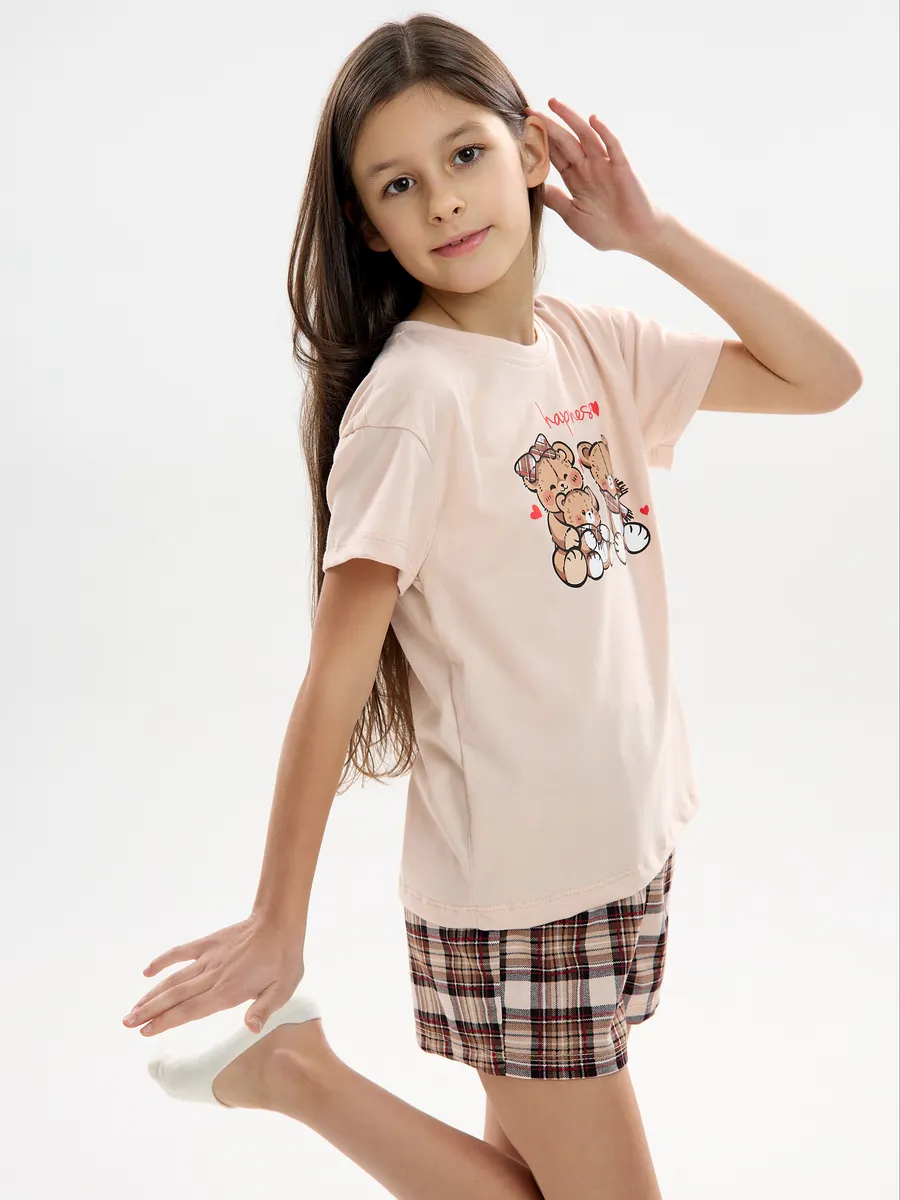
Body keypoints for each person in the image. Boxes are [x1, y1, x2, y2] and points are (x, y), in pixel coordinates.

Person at [121, 14, 863, 1200]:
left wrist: (653, 237)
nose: (445, 201)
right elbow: (336, 674)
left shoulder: (590, 345)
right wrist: (276, 917)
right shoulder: (415, 401)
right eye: (399, 184)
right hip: (521, 890)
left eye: (466, 154)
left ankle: (295, 1071)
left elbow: (825, 378)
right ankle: (297, 1075)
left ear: (530, 154)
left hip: (620, 852)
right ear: (371, 225)